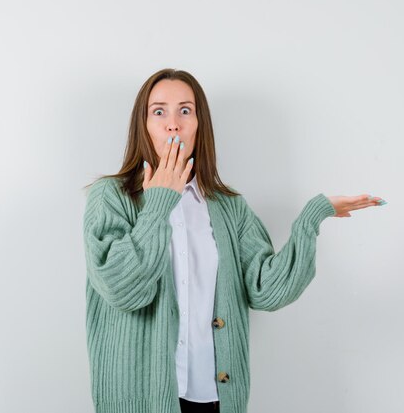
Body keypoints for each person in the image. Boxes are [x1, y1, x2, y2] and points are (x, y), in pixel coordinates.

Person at [82, 68, 386, 413]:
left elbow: (266, 291)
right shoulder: (111, 197)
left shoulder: (229, 207)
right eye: (158, 111)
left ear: (200, 124)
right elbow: (121, 289)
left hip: (214, 397)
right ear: (143, 124)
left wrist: (310, 219)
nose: (173, 123)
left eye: (185, 110)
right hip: (139, 399)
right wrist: (159, 205)